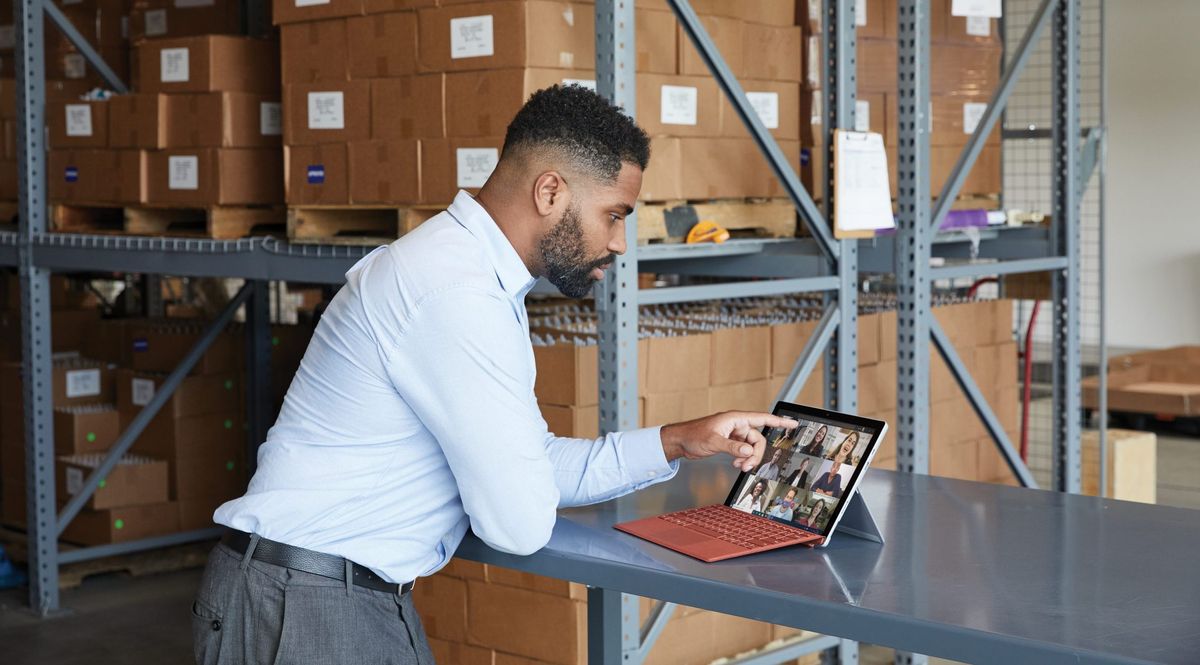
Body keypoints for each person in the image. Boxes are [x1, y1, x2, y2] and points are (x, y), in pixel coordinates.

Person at [193, 85, 798, 665]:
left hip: (317, 596)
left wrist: (677, 440)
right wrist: (516, 478)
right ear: (551, 192)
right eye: (614, 215)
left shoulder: (469, 276)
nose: (618, 243)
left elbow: (529, 466)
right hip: (308, 611)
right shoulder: (455, 293)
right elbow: (518, 522)